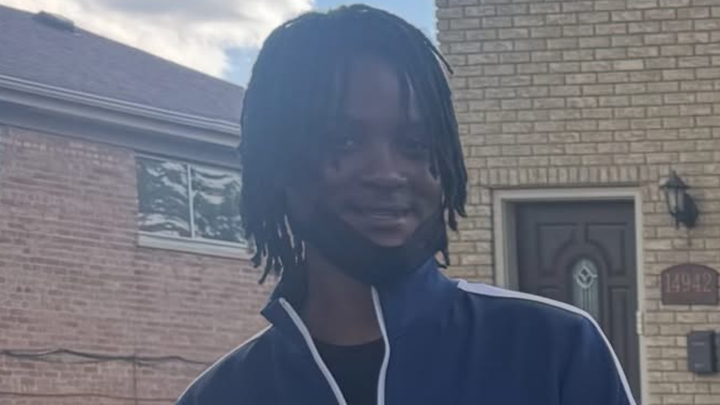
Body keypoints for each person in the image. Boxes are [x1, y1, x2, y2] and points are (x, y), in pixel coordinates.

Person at [176, 4, 636, 405]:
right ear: (277, 163)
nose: (388, 173)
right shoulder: (223, 395)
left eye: (414, 144)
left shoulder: (552, 349)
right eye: (345, 141)